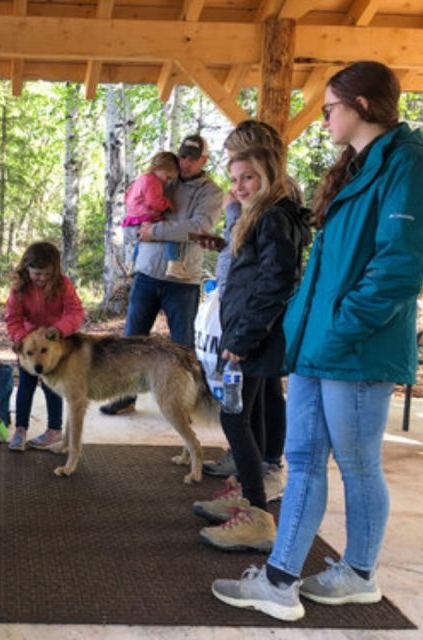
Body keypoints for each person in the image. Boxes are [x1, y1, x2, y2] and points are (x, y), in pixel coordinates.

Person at [212, 61, 423, 622]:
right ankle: (281, 580)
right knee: (303, 460)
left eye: (330, 108)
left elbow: (399, 266)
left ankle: (359, 573)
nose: (323, 119)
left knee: (358, 465)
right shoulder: (362, 165)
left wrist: (339, 327)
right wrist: (306, 330)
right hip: (321, 346)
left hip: (356, 348)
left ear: (361, 106)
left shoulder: (409, 163)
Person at [192, 146, 309, 553]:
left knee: (233, 418)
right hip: (248, 333)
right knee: (248, 416)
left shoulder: (273, 217)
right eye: (236, 178)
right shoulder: (257, 215)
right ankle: (248, 497)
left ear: (269, 177)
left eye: (249, 178)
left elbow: (274, 284)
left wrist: (241, 340)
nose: (240, 187)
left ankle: (258, 517)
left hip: (254, 337)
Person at [100, 134, 222, 415]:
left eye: (193, 158)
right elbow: (134, 218)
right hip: (146, 274)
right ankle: (125, 396)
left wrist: (154, 232)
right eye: (183, 157)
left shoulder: (211, 192)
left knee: (184, 347)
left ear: (204, 160)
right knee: (131, 342)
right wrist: (135, 232)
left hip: (183, 281)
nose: (186, 163)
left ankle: (189, 401)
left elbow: (198, 228)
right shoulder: (160, 179)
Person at [5, 242, 85, 451]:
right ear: (26, 268)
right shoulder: (19, 288)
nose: (41, 278)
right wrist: (22, 340)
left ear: (55, 271)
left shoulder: (63, 285)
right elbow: (13, 317)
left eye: (47, 274)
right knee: (25, 385)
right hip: (29, 345)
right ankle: (20, 429)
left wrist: (59, 330)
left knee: (53, 385)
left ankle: (54, 430)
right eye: (37, 273)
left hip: (54, 345)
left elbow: (75, 312)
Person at [122, 151, 180, 263]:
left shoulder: (141, 178)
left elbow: (127, 196)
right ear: (159, 168)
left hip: (133, 215)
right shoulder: (154, 181)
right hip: (145, 215)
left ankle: (133, 261)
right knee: (170, 232)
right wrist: (167, 204)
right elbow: (154, 201)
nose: (167, 181)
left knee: (142, 237)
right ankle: (173, 262)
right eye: (167, 177)